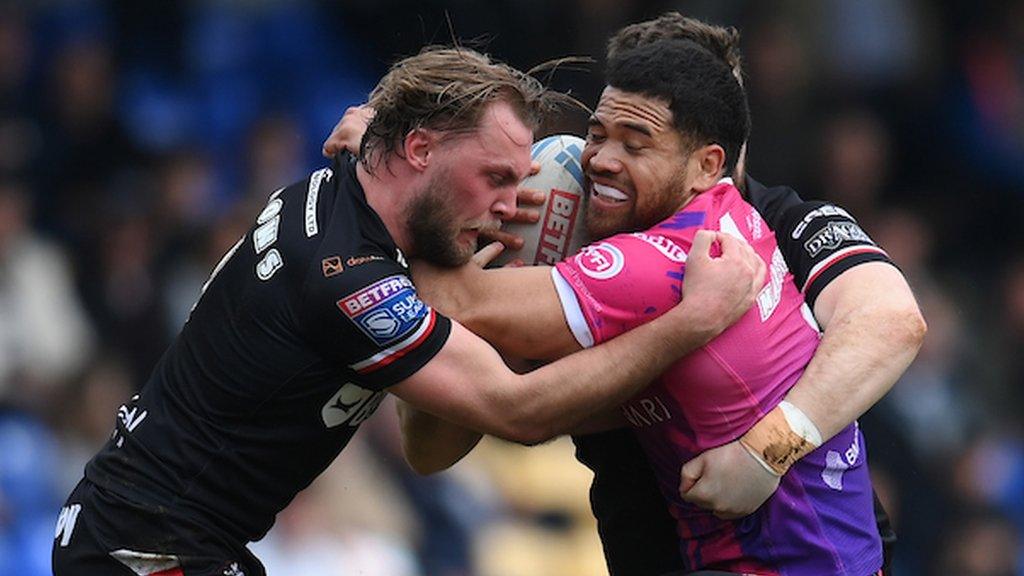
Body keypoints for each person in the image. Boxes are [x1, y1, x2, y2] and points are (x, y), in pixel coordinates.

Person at [51, 46, 767, 576]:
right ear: (420, 149)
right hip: (143, 547)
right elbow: (518, 411)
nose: (506, 209)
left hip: (150, 535)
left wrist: (376, 133)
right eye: (493, 179)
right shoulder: (351, 284)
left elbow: (431, 446)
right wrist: (690, 322)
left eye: (518, 184)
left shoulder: (345, 190)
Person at [322, 14, 925, 576]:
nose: (605, 159)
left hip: (795, 549)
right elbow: (436, 442)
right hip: (664, 547)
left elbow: (894, 322)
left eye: (640, 139)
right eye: (601, 131)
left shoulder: (763, 227)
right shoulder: (576, 221)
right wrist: (475, 225)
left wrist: (396, 177)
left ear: (712, 151)